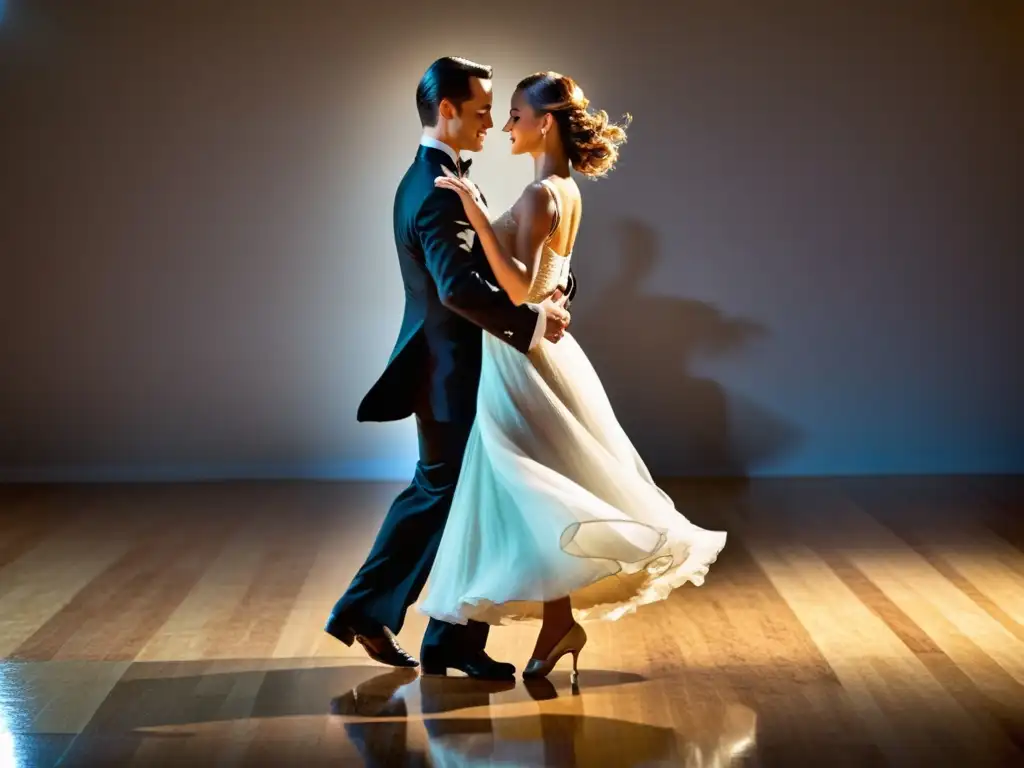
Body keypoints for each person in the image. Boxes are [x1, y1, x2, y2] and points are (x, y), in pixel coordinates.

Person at [420, 71, 728, 680]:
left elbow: (520, 288)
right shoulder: (561, 188)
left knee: (530, 484)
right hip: (534, 354)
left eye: (514, 114)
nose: (506, 124)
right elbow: (548, 281)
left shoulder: (541, 195)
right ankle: (557, 623)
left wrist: (478, 218)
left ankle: (544, 624)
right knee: (538, 485)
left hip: (523, 361)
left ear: (545, 123)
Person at [324, 57, 574, 681]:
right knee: (446, 492)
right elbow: (458, 288)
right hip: (451, 372)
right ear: (447, 111)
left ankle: (445, 639)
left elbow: (498, 264)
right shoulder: (435, 186)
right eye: (484, 108)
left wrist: (549, 290)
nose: (492, 120)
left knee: (463, 497)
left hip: (464, 366)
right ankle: (373, 613)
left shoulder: (447, 176)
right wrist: (533, 326)